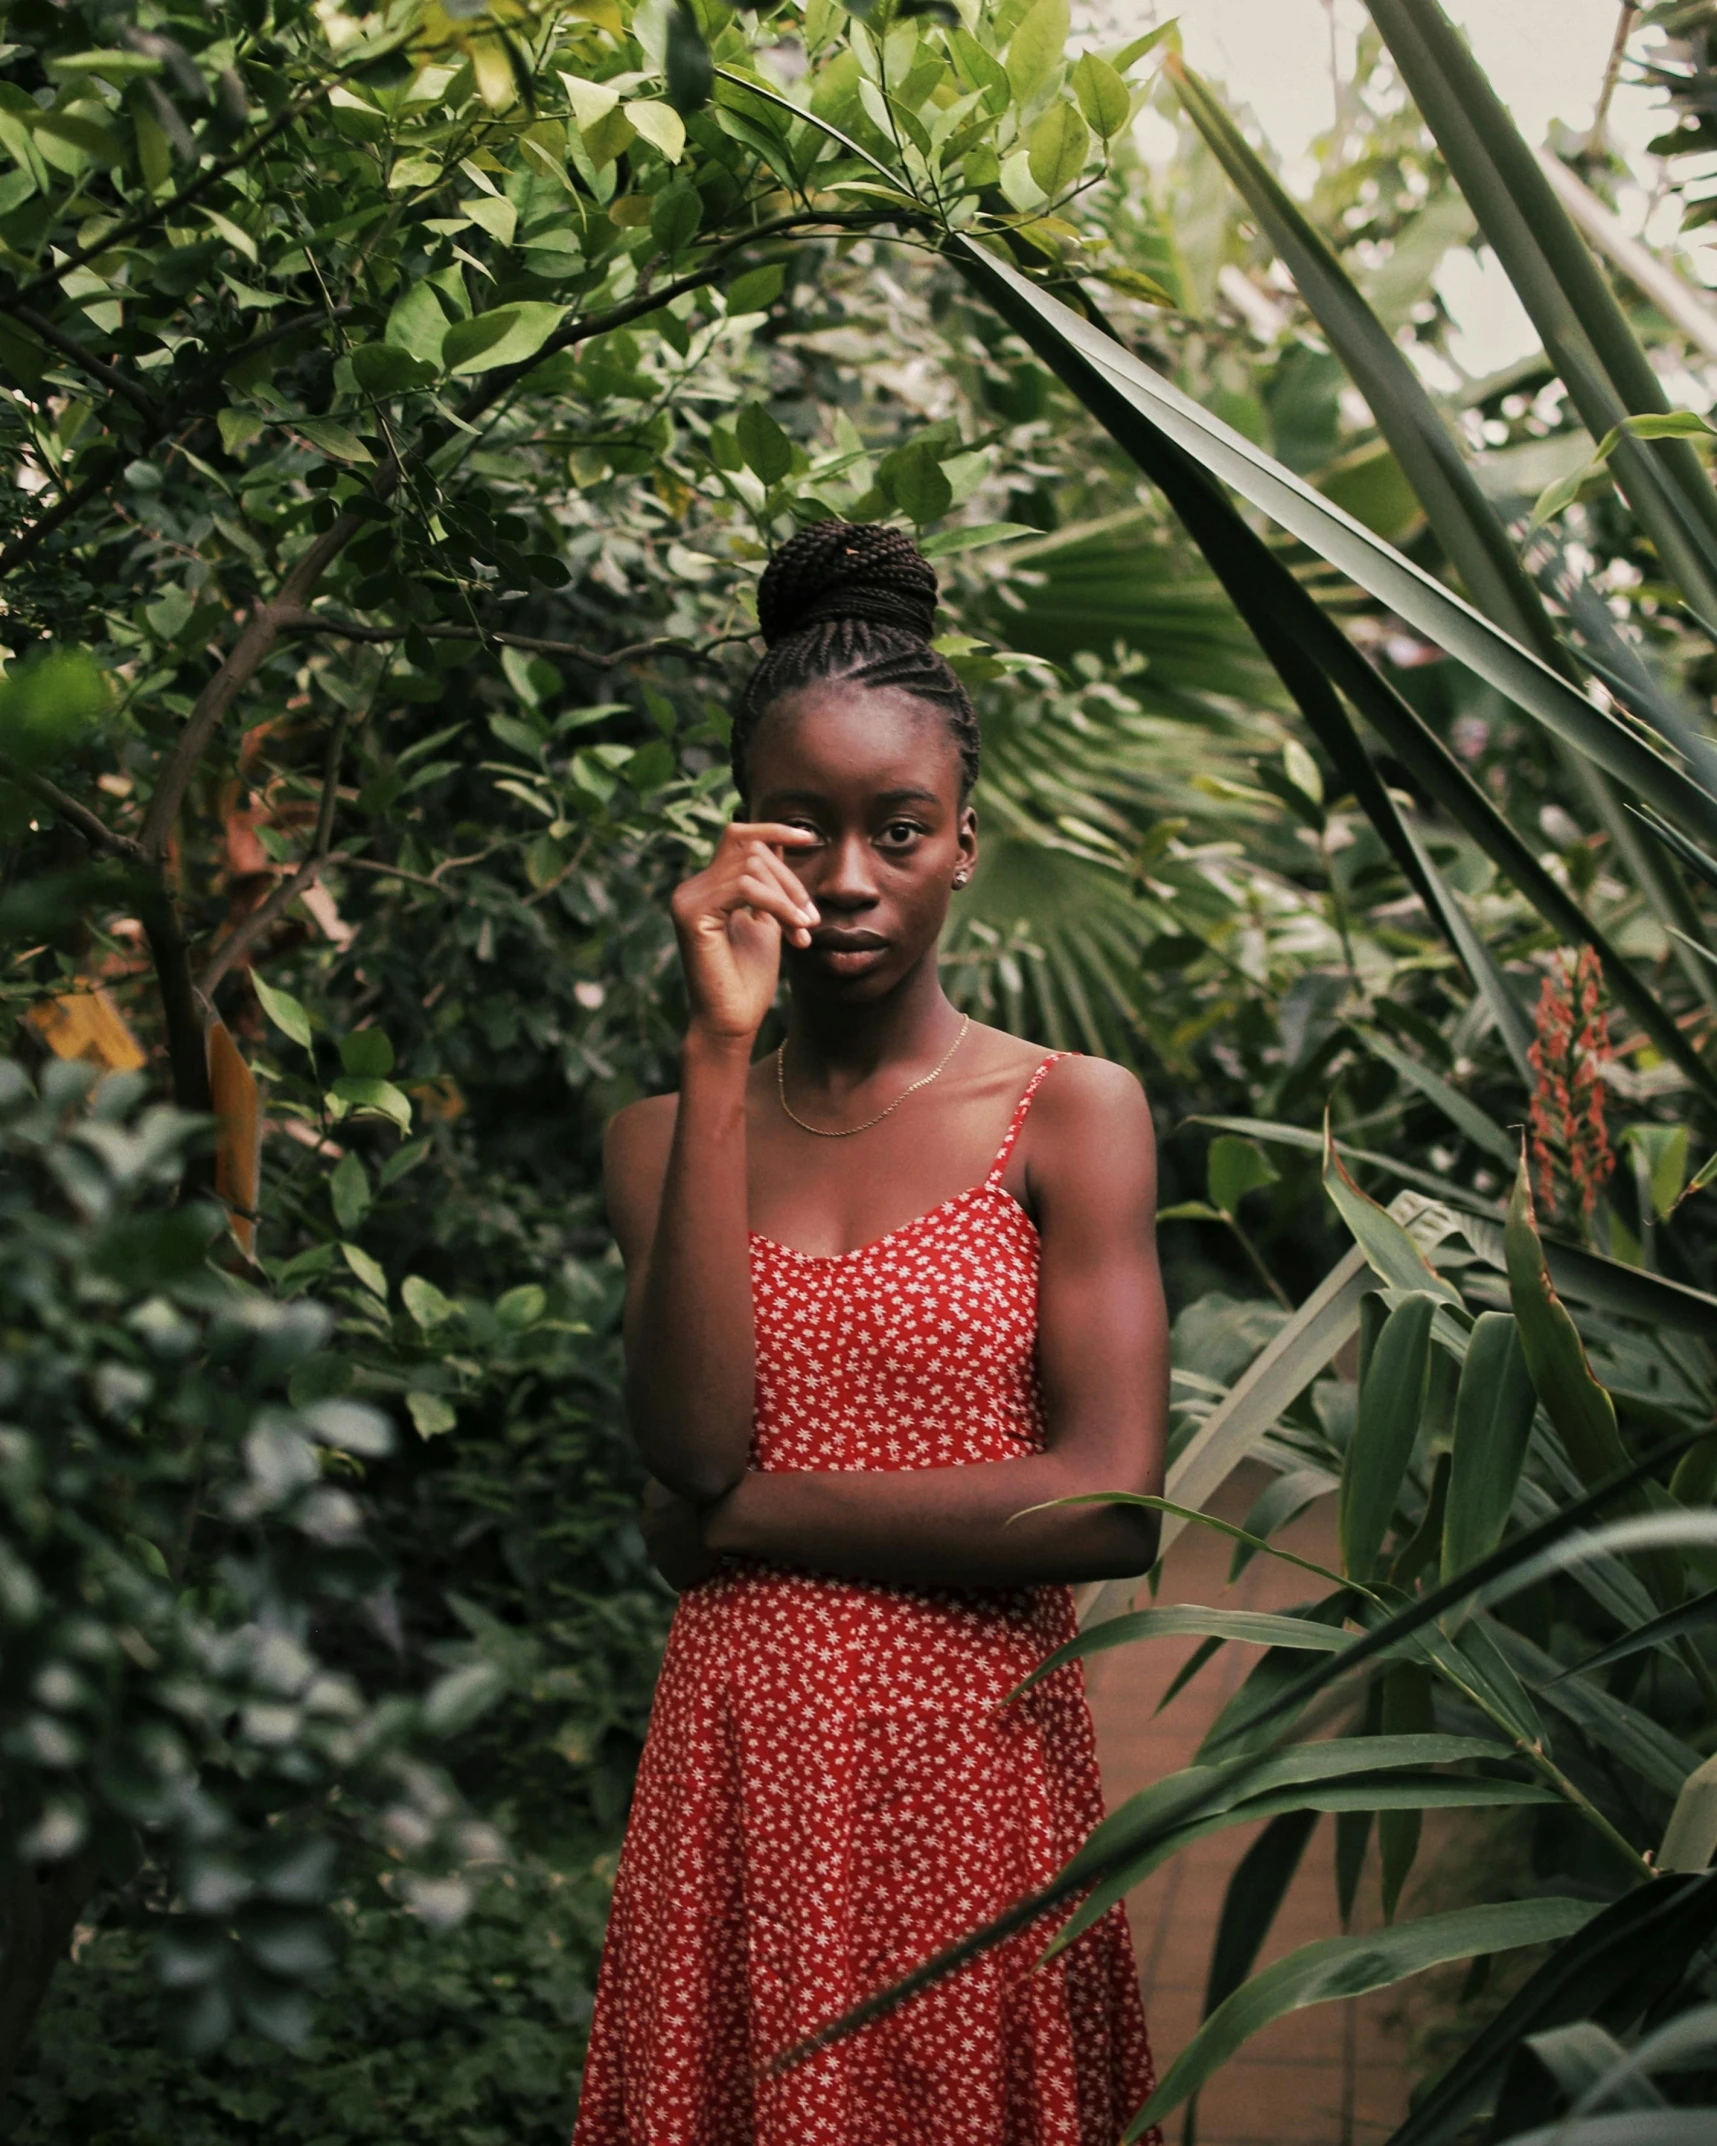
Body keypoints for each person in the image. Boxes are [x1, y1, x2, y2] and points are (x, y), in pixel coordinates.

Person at [573, 521, 1168, 2146]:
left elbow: (1112, 1500)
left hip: (974, 1779)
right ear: (738, 841)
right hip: (739, 1782)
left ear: (965, 841)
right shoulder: (658, 1139)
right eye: (804, 829)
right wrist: (716, 1044)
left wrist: (744, 1520)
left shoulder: (1071, 1113)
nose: (847, 879)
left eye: (898, 831)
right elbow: (687, 1442)